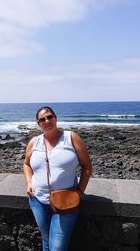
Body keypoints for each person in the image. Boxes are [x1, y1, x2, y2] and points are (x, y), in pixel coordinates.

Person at [23, 106, 92, 251]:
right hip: (38, 200)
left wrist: (79, 191)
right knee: (46, 240)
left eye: (50, 117)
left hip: (66, 200)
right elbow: (27, 164)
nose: (47, 121)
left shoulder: (71, 137)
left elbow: (86, 166)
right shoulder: (34, 142)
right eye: (42, 119)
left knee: (57, 247)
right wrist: (29, 182)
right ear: (39, 124)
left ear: (55, 118)